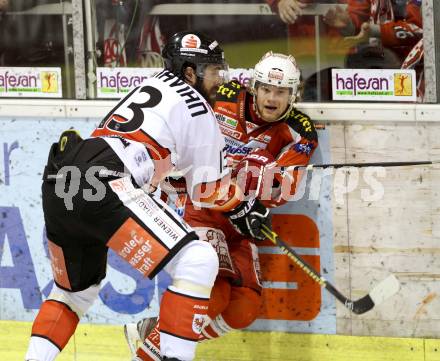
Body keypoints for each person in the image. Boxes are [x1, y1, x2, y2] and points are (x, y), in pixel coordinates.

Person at [24, 30, 271, 361]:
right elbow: (207, 190)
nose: (218, 80)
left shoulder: (147, 87)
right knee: (198, 261)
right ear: (189, 72)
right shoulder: (197, 106)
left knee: (73, 294)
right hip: (105, 182)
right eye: (212, 71)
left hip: (61, 176)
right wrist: (243, 206)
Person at [125, 51, 319, 361]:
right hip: (203, 208)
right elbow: (184, 136)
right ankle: (150, 354)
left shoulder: (300, 132)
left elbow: (283, 192)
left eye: (281, 92)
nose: (272, 98)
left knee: (244, 308)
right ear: (254, 87)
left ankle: (156, 334)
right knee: (213, 295)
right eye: (266, 89)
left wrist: (262, 170)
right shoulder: (224, 96)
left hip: (241, 223)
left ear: (293, 95)